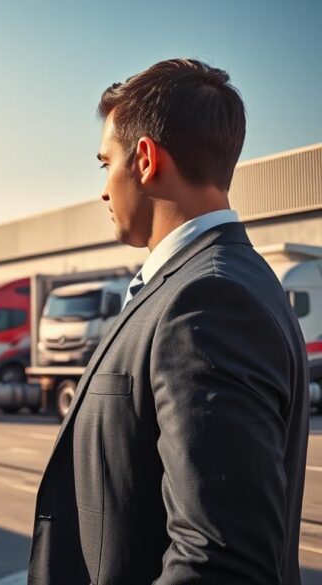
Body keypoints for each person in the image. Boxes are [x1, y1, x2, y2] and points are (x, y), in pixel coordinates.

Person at [28, 59, 308, 584]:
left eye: (104, 162)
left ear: (145, 159)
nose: (104, 189)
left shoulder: (208, 301)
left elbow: (221, 563)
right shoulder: (225, 281)